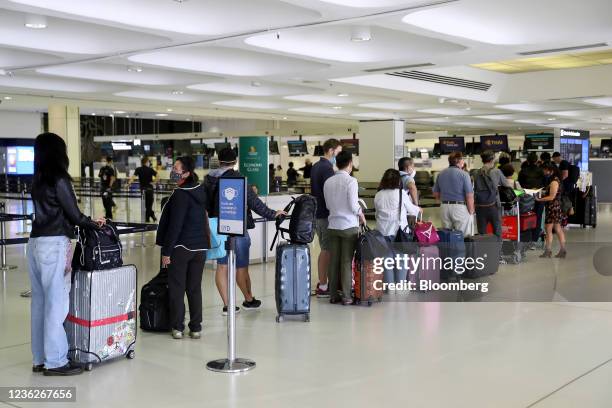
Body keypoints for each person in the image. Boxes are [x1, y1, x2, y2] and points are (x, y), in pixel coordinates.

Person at [29, 133, 105, 376]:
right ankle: (56, 361)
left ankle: (40, 358)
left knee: (40, 303)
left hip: (35, 243)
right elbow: (74, 215)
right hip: (54, 245)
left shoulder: (38, 179)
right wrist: (95, 224)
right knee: (56, 303)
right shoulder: (58, 178)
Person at [205, 148, 285, 315]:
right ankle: (248, 299)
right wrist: (273, 214)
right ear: (235, 162)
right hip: (236, 227)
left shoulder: (208, 179)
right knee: (241, 268)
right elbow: (255, 203)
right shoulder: (237, 178)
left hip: (217, 228)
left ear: (219, 161)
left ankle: (228, 305)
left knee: (222, 267)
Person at [156, 156, 210, 340]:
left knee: (177, 288)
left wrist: (166, 252)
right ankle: (196, 327)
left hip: (181, 248)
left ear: (186, 173)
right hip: (200, 248)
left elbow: (175, 226)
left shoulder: (180, 194)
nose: (173, 170)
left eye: (176, 167)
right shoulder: (200, 189)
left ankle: (177, 327)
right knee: (194, 288)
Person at [323, 151, 365, 305]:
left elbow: (328, 205)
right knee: (346, 261)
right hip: (348, 227)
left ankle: (333, 295)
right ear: (349, 164)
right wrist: (361, 214)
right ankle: (347, 296)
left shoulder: (328, 182)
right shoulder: (351, 181)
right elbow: (354, 206)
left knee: (334, 261)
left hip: (333, 225)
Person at [374, 169, 421, 284]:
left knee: (387, 261)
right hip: (398, 232)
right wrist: (418, 209)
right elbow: (412, 210)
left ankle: (390, 287)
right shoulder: (400, 193)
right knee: (401, 261)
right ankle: (399, 286)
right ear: (398, 181)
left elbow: (377, 213)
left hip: (382, 232)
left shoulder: (378, 194)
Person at [310, 138, 342, 298]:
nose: (339, 155)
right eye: (338, 152)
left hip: (317, 213)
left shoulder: (316, 166)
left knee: (325, 248)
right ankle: (323, 285)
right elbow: (330, 193)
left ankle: (324, 282)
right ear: (331, 151)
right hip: (324, 215)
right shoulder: (327, 168)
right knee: (327, 249)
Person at [432, 152, 475, 236]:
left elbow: (436, 194)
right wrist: (471, 211)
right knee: (464, 236)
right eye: (462, 159)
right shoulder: (464, 174)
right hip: (459, 208)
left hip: (444, 208)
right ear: (458, 161)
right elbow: (469, 195)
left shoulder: (441, 174)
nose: (463, 161)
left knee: (448, 236)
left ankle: (449, 249)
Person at [473, 151, 510, 238]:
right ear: (492, 159)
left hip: (480, 206)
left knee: (482, 233)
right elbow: (507, 184)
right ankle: (497, 251)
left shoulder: (475, 173)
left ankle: (484, 251)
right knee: (497, 230)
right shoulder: (496, 172)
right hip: (494, 205)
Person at [536, 164, 567, 258]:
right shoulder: (556, 180)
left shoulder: (554, 182)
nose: (544, 173)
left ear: (551, 171)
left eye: (545, 171)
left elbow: (552, 196)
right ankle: (562, 250)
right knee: (557, 229)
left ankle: (548, 251)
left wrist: (539, 199)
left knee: (548, 229)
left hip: (552, 207)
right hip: (556, 207)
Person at [518, 153, 546, 244]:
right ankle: (534, 240)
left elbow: (520, 185)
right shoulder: (541, 171)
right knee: (538, 217)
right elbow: (544, 183)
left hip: (526, 196)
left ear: (527, 160)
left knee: (526, 216)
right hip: (538, 195)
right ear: (536, 160)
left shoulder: (523, 171)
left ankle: (525, 238)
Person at [128, 156, 158, 222]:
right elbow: (157, 175)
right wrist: (154, 182)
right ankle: (150, 217)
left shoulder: (138, 169)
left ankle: (149, 218)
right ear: (147, 162)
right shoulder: (150, 169)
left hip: (143, 190)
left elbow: (133, 177)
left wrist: (129, 183)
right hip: (150, 189)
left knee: (145, 205)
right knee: (149, 205)